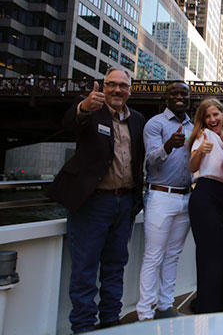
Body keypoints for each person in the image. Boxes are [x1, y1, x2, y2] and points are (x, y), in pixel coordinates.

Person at [47, 68, 145, 333]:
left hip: (124, 204)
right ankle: (83, 327)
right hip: (92, 203)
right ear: (103, 86)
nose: (116, 90)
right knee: (85, 268)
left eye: (122, 86)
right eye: (111, 85)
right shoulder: (92, 111)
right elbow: (68, 122)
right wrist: (83, 107)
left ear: (129, 91)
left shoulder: (137, 119)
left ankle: (111, 322)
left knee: (115, 266)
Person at [136, 81, 193, 320]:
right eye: (174, 93)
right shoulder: (155, 124)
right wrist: (168, 146)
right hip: (160, 195)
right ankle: (144, 312)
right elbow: (150, 161)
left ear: (189, 98)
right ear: (166, 97)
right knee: (154, 255)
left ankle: (165, 306)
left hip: (185, 196)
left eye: (183, 93)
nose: (179, 97)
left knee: (173, 255)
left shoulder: (194, 126)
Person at [188, 98, 223, 313]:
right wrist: (201, 151)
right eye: (207, 116)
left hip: (221, 198)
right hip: (205, 194)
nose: (212, 119)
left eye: (215, 115)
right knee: (211, 257)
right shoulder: (204, 136)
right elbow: (192, 165)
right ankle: (207, 310)